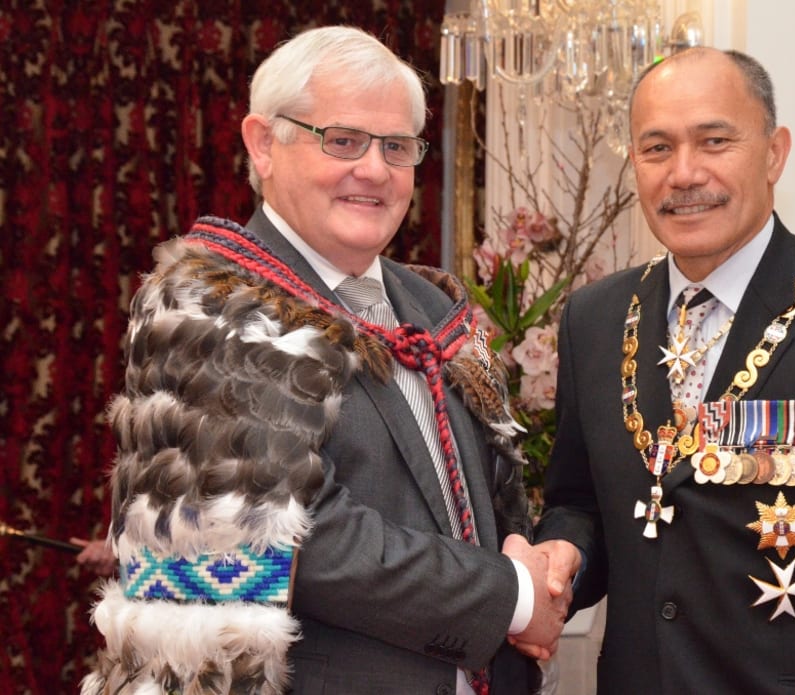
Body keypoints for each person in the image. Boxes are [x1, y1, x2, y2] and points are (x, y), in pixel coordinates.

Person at [82, 25, 567, 695]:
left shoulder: (433, 304)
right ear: (263, 144)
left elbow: (488, 493)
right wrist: (513, 597)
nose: (373, 169)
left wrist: (530, 558)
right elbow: (302, 534)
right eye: (341, 140)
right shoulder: (211, 304)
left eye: (396, 146)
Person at [524, 47, 795, 692]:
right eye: (656, 149)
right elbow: (578, 500)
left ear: (774, 152)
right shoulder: (595, 317)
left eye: (714, 140)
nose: (683, 173)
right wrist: (566, 551)